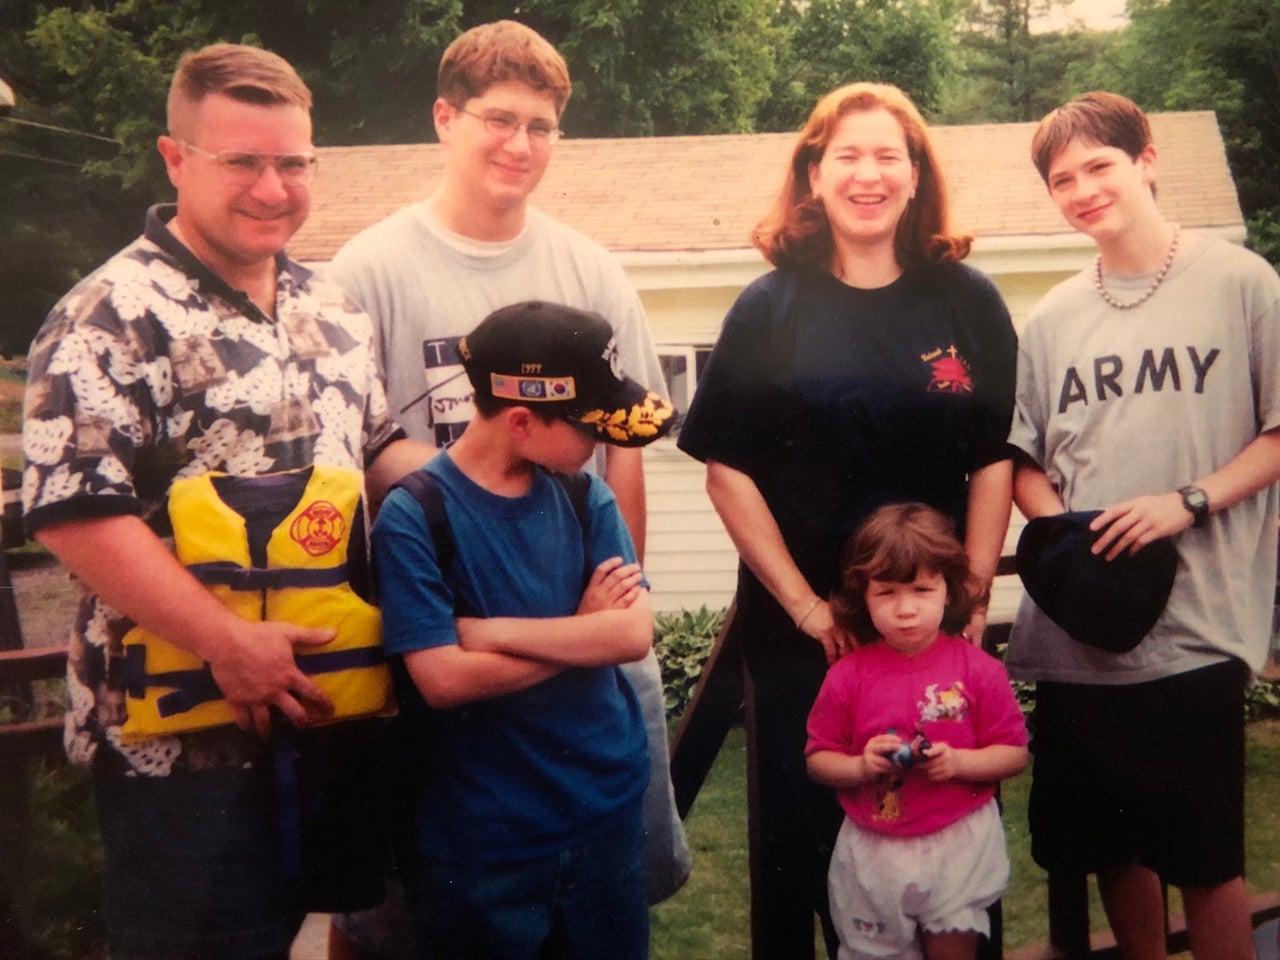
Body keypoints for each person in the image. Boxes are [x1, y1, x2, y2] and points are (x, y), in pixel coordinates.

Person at [20, 43, 427, 960]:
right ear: (175, 159)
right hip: (181, 747)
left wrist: (489, 481)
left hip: (328, 714)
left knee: (341, 939)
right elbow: (74, 509)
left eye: (293, 163)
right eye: (242, 162)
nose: (272, 188)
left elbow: (375, 451)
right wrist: (225, 644)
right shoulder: (110, 313)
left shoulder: (332, 306)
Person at [327, 20, 689, 955]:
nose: (519, 145)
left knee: (604, 887)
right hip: (438, 615)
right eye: (498, 119)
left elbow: (626, 451)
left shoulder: (589, 268)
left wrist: (616, 601)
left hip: (579, 606)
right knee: (431, 904)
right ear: (444, 118)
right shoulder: (366, 271)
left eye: (541, 126)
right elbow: (348, 453)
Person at [676, 82, 1017, 958]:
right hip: (810, 642)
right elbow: (727, 470)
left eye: (888, 156)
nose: (868, 175)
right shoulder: (770, 307)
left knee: (951, 857)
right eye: (848, 156)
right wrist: (803, 607)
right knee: (804, 853)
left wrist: (971, 603)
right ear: (814, 177)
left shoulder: (965, 301)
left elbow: (993, 460)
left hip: (934, 633)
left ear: (915, 179)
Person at [1006, 90, 1280, 960]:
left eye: (1100, 166)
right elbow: (1021, 461)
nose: (1083, 190)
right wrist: (1072, 549)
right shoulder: (1051, 317)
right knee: (1111, 851)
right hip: (1081, 634)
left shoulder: (1239, 282)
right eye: (1062, 179)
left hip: (1196, 622)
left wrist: (1187, 500)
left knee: (1205, 857)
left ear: (1147, 161)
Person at [372, 300, 674, 959]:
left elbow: (628, 636)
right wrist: (579, 633)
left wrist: (489, 634)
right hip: (485, 845)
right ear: (520, 420)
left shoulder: (583, 495)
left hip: (605, 819)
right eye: (591, 426)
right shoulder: (415, 517)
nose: (602, 444)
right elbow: (443, 680)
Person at [806, 503, 1028, 960]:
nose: (906, 609)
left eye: (922, 589)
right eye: (886, 593)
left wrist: (960, 762)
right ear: (862, 597)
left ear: (948, 591)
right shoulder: (848, 675)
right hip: (874, 847)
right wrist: (860, 765)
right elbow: (818, 759)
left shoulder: (978, 670)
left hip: (958, 840)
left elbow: (1014, 753)